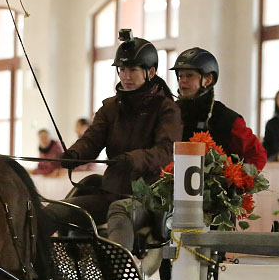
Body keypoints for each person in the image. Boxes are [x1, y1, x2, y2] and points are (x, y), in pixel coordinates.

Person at [104, 47, 267, 254]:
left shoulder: (226, 118)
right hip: (168, 198)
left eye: (189, 76)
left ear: (207, 80)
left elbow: (257, 155)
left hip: (210, 207)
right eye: (180, 76)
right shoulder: (169, 112)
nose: (182, 81)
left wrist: (233, 183)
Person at [50, 29, 181, 242]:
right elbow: (91, 140)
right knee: (54, 211)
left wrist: (133, 159)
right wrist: (73, 155)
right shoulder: (110, 107)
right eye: (121, 70)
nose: (126, 76)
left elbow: (167, 151)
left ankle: (120, 273)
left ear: (151, 71)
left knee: (120, 212)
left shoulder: (167, 109)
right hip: (110, 192)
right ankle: (34, 268)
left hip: (147, 197)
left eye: (133, 70)